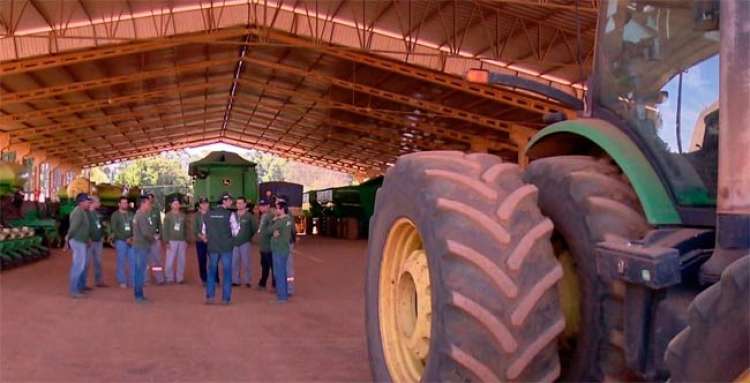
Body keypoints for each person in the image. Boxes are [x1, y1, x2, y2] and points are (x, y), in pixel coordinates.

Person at [204, 193, 235, 305]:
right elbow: (235, 231)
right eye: (230, 200)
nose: (231, 202)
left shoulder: (208, 214)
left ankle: (210, 296)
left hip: (212, 247)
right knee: (227, 272)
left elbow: (204, 231)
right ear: (224, 201)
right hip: (226, 247)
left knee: (211, 271)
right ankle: (226, 298)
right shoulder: (230, 214)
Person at [66, 193, 91, 299]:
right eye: (87, 201)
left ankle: (77, 288)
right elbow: (74, 228)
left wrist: (86, 239)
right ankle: (73, 290)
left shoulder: (82, 211)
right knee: (78, 266)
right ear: (81, 202)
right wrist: (67, 238)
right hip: (77, 241)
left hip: (80, 241)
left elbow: (81, 228)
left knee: (80, 265)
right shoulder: (78, 212)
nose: (88, 203)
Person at [131, 195, 155, 303]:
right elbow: (145, 233)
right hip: (142, 246)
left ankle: (138, 294)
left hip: (138, 246)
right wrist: (152, 238)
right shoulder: (141, 216)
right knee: (140, 272)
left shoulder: (138, 215)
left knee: (138, 271)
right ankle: (139, 296)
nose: (149, 205)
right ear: (143, 203)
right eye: (148, 203)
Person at [81, 196, 107, 289]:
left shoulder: (96, 213)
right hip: (89, 242)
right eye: (98, 201)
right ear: (92, 202)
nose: (99, 203)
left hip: (98, 241)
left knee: (98, 262)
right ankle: (83, 284)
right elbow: (83, 228)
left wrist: (102, 235)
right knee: (86, 263)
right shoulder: (86, 214)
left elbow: (99, 226)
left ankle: (99, 281)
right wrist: (87, 238)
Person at [232, 197, 258, 288]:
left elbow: (254, 228)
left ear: (245, 204)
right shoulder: (233, 215)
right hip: (234, 243)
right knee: (234, 262)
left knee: (246, 262)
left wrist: (248, 236)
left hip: (245, 243)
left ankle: (247, 280)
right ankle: (235, 280)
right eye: (237, 203)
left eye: (241, 203)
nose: (239, 205)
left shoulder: (249, 216)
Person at [270, 199, 292, 302]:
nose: (275, 210)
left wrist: (275, 220)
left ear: (282, 209)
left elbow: (270, 230)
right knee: (281, 272)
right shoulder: (287, 219)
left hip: (279, 249)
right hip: (281, 249)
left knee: (279, 273)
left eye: (277, 208)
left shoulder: (282, 220)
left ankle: (282, 296)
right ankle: (283, 294)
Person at [110, 196, 134, 289]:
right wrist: (125, 239)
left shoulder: (131, 214)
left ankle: (132, 281)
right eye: (123, 203)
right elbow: (114, 230)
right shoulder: (115, 215)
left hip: (132, 241)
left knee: (133, 261)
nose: (125, 204)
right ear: (119, 204)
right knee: (121, 261)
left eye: (126, 203)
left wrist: (132, 237)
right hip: (121, 241)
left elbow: (135, 226)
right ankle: (122, 281)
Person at [163, 197, 187, 284]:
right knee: (170, 260)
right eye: (174, 204)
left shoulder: (183, 215)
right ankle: (169, 277)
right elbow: (165, 229)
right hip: (171, 240)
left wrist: (185, 240)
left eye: (178, 204)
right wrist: (166, 241)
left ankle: (180, 278)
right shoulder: (168, 216)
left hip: (181, 240)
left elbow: (185, 228)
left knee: (182, 260)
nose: (176, 205)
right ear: (171, 205)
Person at [276, 195, 297, 295]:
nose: (276, 202)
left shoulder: (288, 216)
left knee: (288, 267)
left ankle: (289, 289)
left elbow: (292, 231)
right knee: (280, 266)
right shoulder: (278, 214)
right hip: (280, 244)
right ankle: (282, 287)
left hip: (286, 244)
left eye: (279, 201)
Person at [145, 193, 165, 285]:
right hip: (144, 239)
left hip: (155, 238)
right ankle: (145, 279)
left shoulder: (156, 211)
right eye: (148, 199)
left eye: (151, 199)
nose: (149, 200)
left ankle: (159, 278)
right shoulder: (141, 211)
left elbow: (159, 225)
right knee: (145, 261)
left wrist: (160, 235)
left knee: (157, 259)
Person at [256, 198, 275, 290]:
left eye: (263, 206)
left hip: (269, 247)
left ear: (268, 206)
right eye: (260, 206)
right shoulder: (263, 215)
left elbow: (273, 229)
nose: (261, 207)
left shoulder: (270, 215)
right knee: (264, 266)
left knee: (272, 266)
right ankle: (262, 283)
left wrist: (265, 233)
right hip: (263, 246)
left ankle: (274, 285)